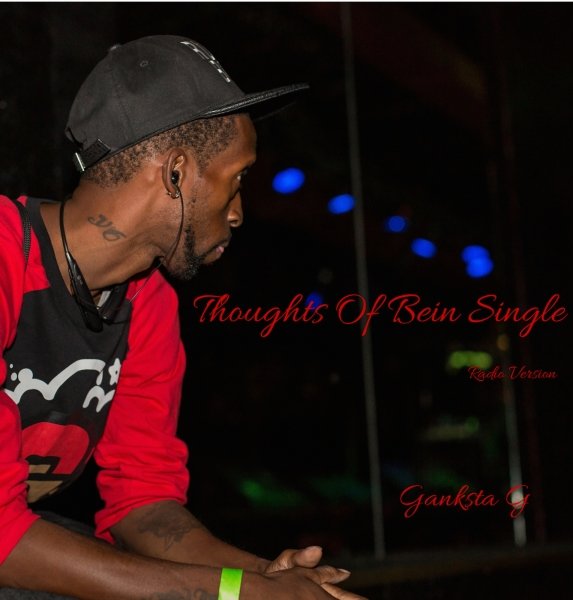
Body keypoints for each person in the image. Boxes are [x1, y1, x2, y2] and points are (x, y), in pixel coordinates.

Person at [0, 35, 366, 600]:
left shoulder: (147, 302)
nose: (238, 212)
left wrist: (267, 579)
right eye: (237, 177)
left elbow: (143, 503)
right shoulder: (6, 260)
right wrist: (236, 594)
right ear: (177, 172)